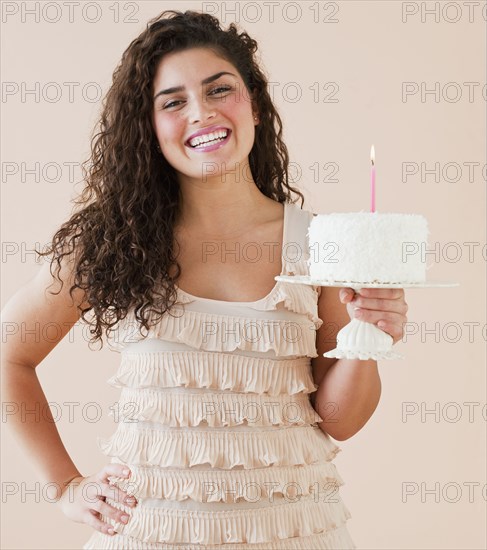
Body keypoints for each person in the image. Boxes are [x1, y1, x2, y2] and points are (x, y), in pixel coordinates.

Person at [1, 9, 408, 549]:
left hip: (297, 533)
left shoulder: (324, 243)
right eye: (173, 101)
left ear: (256, 106)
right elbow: (10, 355)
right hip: (150, 537)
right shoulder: (110, 241)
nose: (201, 112)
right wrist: (65, 487)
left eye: (220, 90)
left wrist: (366, 338)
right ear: (148, 127)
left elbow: (338, 421)